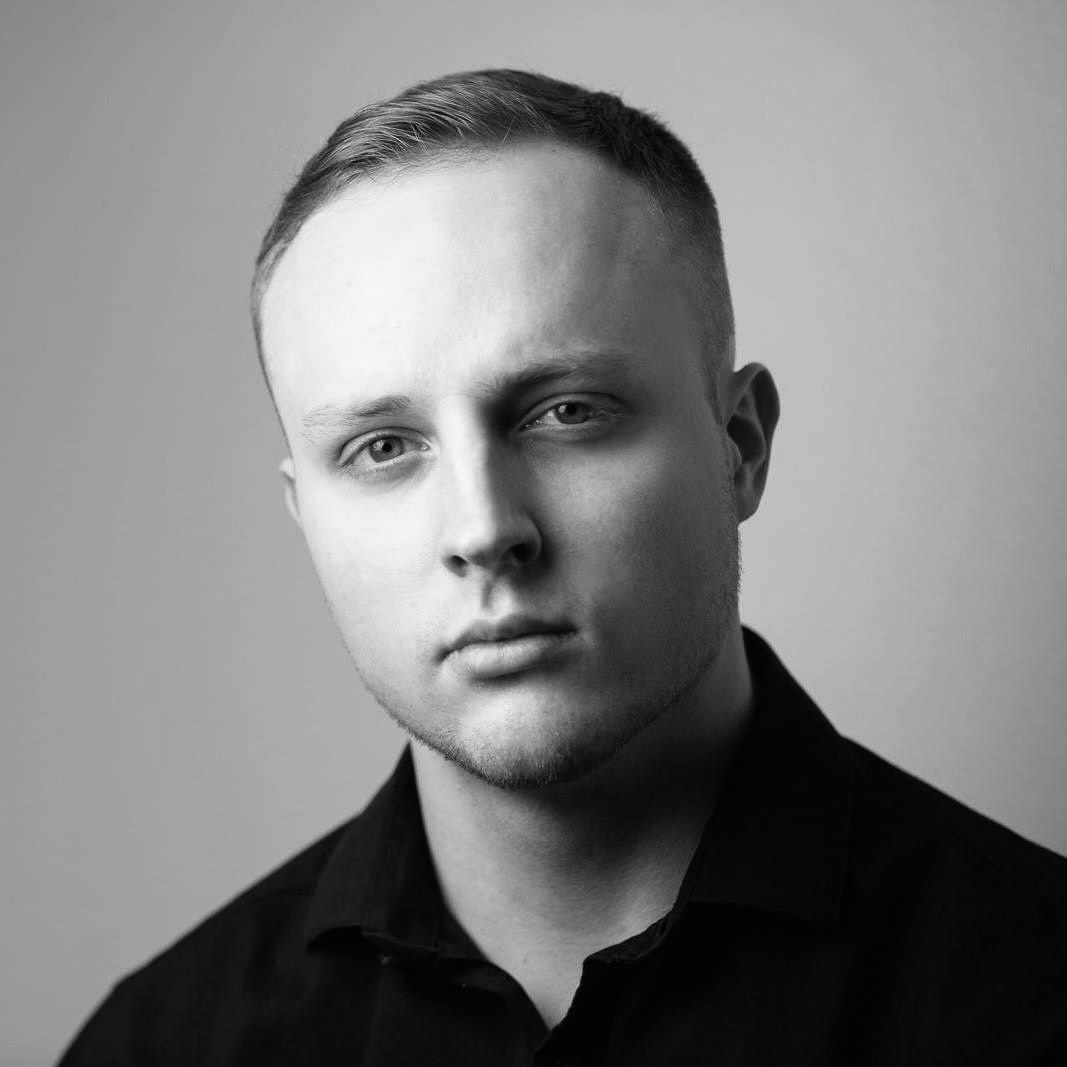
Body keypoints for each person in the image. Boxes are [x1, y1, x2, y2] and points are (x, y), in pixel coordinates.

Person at [58, 68, 1067, 1066]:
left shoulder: (1033, 988)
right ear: (305, 516)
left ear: (739, 444)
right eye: (382, 447)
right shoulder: (157, 1045)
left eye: (565, 411)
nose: (483, 529)